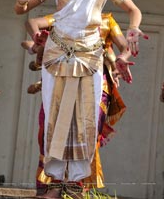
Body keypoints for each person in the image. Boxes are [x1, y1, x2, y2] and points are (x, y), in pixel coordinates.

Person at [14, 0, 148, 199]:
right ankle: (53, 181)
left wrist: (133, 29)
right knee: (54, 116)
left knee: (87, 119)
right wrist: (21, 0)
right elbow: (23, 11)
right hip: (56, 56)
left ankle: (76, 183)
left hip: (91, 57)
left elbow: (133, 10)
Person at [22, 12, 133, 194]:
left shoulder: (107, 20)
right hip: (62, 79)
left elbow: (125, 46)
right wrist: (37, 38)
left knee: (87, 133)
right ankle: (52, 185)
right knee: (50, 129)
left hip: (96, 83)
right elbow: (32, 22)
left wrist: (122, 57)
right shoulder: (63, 16)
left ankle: (77, 187)